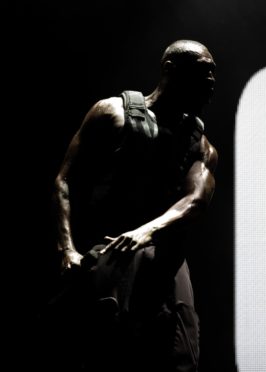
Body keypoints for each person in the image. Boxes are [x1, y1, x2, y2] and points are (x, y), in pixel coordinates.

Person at [49, 39, 217, 371]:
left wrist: (145, 232)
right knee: (104, 342)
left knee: (182, 352)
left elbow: (196, 200)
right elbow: (63, 181)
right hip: (109, 248)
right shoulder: (111, 113)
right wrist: (66, 249)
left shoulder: (201, 146)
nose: (211, 82)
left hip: (164, 256)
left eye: (213, 74)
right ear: (170, 70)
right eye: (202, 72)